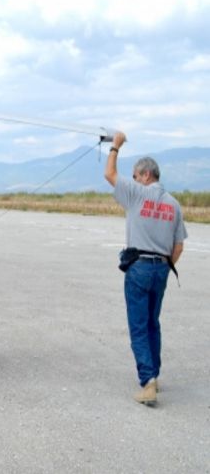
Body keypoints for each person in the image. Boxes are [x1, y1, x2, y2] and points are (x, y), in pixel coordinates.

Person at [104, 131, 187, 406]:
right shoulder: (174, 204)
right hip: (162, 268)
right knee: (153, 323)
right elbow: (179, 246)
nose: (135, 179)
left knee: (138, 327)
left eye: (137, 175)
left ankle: (148, 382)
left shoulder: (138, 194)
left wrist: (115, 146)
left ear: (146, 176)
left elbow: (110, 174)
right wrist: (166, 266)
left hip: (138, 267)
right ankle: (155, 374)